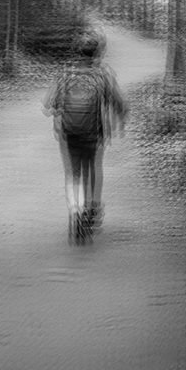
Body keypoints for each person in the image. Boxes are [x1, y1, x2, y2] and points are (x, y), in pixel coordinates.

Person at [43, 31, 128, 241]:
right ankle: (92, 208)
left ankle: (75, 211)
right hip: (94, 132)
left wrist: (58, 109)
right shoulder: (103, 74)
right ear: (98, 52)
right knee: (93, 168)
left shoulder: (66, 73)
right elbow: (119, 103)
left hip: (69, 132)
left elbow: (48, 104)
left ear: (76, 51)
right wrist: (120, 119)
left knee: (73, 173)